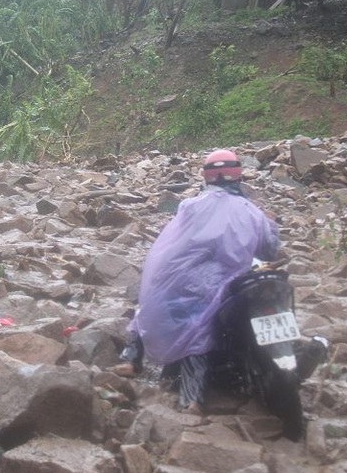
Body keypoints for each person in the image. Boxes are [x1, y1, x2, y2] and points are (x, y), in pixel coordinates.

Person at [116, 149, 279, 416]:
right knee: (200, 329)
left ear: (206, 176)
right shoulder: (252, 213)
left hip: (176, 279)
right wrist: (271, 227)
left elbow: (172, 245)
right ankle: (191, 398)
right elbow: (269, 251)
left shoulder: (190, 206)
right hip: (214, 283)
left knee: (146, 308)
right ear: (238, 174)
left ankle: (131, 359)